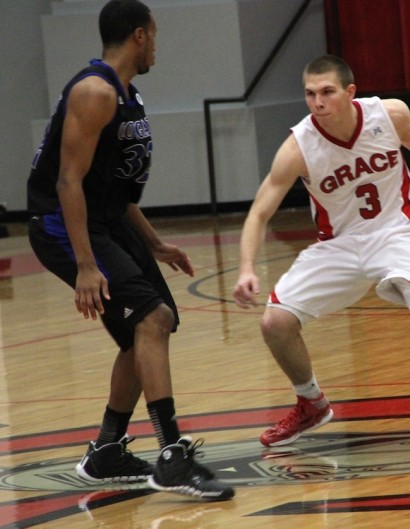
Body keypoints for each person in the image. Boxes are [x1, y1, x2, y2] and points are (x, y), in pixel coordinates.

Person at [233, 54, 410, 448]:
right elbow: (260, 211)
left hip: (397, 231)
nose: (317, 102)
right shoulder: (298, 147)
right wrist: (246, 267)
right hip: (338, 244)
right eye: (309, 94)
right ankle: (311, 402)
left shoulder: (388, 115)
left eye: (326, 92)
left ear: (350, 92)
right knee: (275, 324)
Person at [27, 0, 233, 501]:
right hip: (63, 225)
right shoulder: (95, 92)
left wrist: (154, 242)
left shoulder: (128, 96)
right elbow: (68, 182)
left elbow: (111, 191)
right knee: (152, 317)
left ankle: (106, 452)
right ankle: (171, 457)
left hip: (107, 222)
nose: (157, 46)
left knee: (144, 331)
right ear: (140, 36)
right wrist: (84, 266)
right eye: (155, 36)